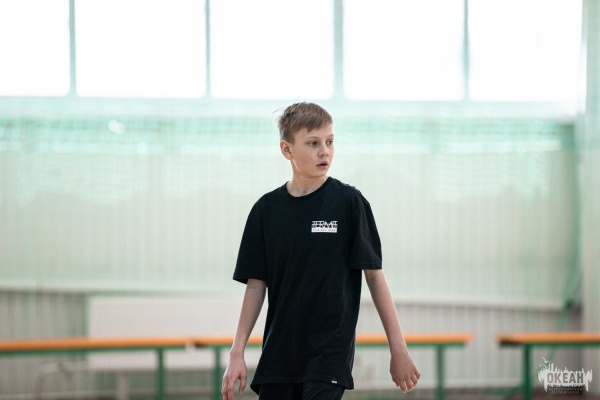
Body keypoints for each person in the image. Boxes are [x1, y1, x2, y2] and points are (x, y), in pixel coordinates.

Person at [222, 102, 420, 400]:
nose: (324, 151)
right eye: (313, 143)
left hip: (329, 354)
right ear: (286, 149)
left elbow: (375, 277)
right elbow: (255, 286)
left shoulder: (349, 203)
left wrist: (398, 349)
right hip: (279, 354)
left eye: (330, 142)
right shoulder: (266, 210)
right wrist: (236, 353)